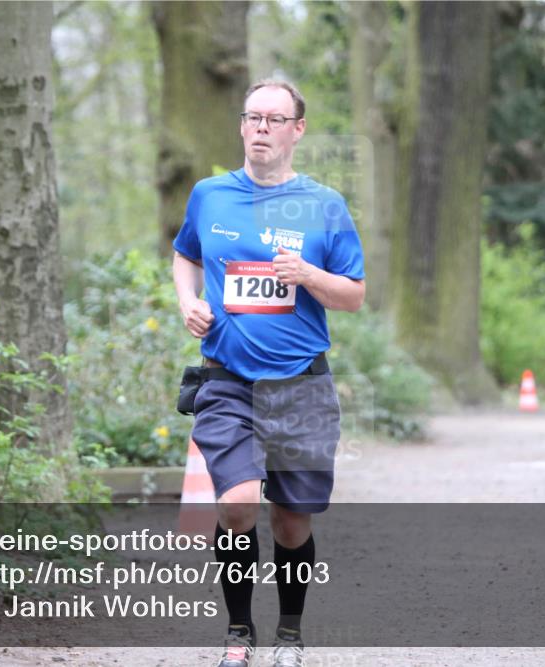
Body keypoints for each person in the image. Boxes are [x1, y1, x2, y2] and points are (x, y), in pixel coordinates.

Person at [172, 78, 365, 667]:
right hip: (226, 377)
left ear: (296, 130)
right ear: (241, 125)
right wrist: (188, 302)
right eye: (252, 117)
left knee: (289, 520)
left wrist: (307, 274)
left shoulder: (325, 204)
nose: (260, 128)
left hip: (302, 383)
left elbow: (353, 296)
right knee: (235, 504)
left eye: (274, 119)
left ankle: (289, 634)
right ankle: (238, 632)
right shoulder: (209, 194)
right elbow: (185, 254)